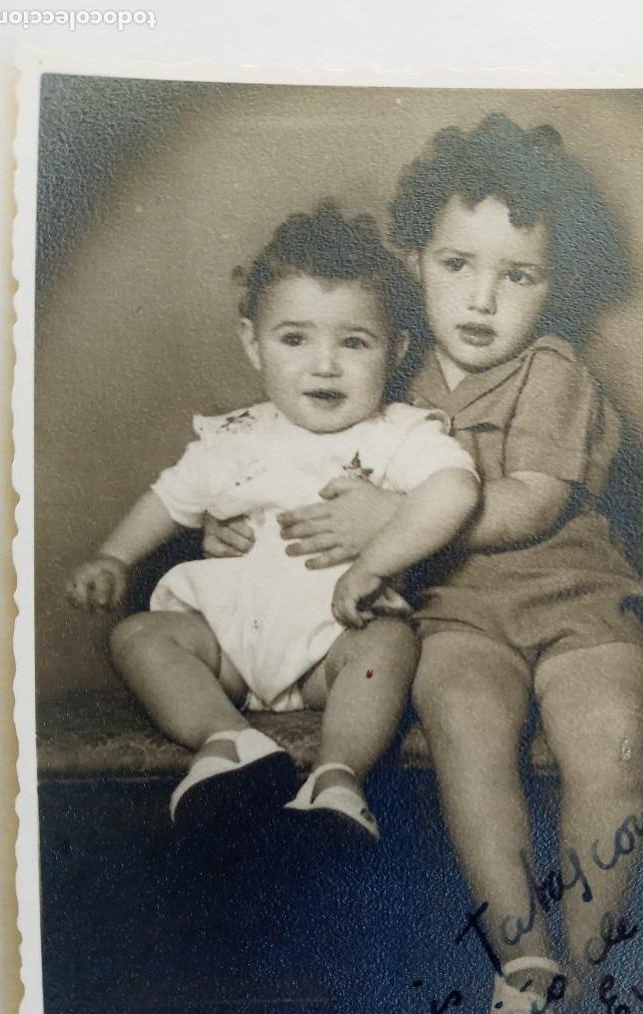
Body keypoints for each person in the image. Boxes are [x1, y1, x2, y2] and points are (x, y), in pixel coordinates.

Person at [208, 116, 643, 1014]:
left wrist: (389, 523)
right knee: (463, 724)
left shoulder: (553, 372)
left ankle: (592, 970)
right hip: (453, 614)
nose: (482, 298)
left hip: (576, 601)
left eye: (517, 275)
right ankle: (524, 959)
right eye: (457, 265)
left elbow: (529, 504)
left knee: (613, 734)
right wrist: (239, 516)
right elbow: (301, 452)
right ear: (413, 256)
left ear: (554, 286)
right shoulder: (387, 366)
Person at [66, 203, 479, 838]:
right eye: (294, 339)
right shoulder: (234, 436)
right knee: (140, 636)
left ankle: (338, 777)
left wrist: (374, 561)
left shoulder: (400, 435)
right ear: (252, 344)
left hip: (330, 648)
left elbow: (455, 491)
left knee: (389, 646)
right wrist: (115, 557)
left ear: (394, 349)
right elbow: (170, 497)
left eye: (354, 342)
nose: (325, 365)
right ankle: (227, 742)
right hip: (226, 646)